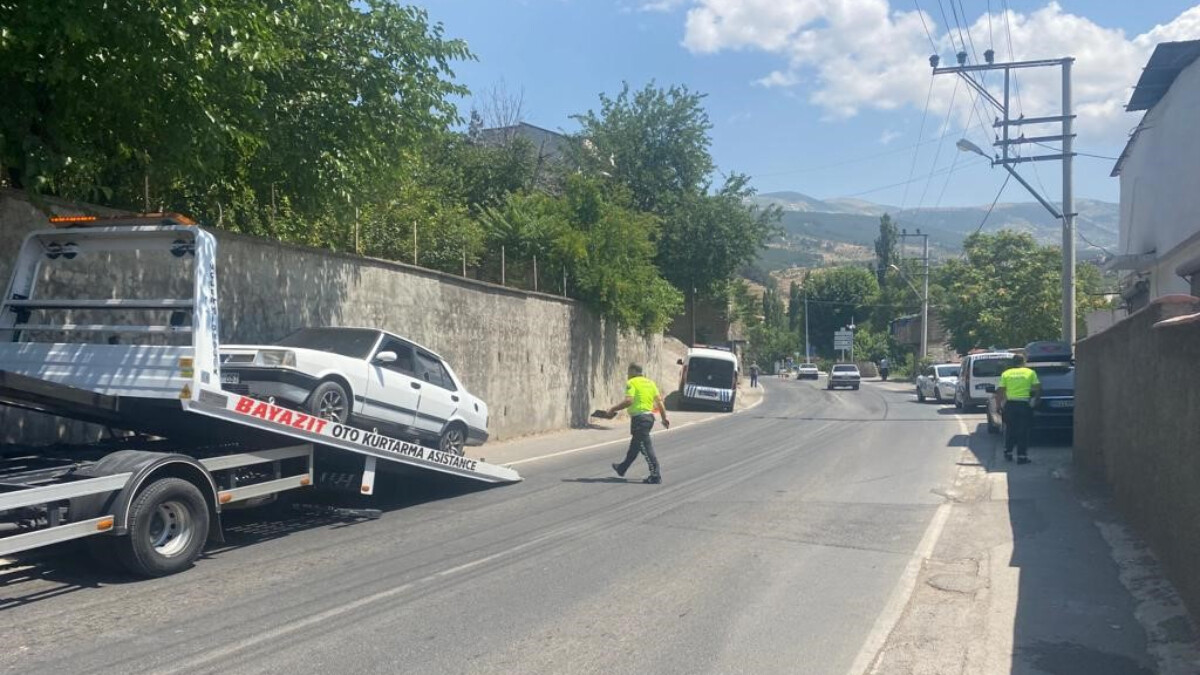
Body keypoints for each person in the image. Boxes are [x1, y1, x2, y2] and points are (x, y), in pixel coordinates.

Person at [608, 363, 670, 484]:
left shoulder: (632, 382)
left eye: (628, 372)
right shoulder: (650, 383)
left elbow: (629, 401)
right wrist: (664, 418)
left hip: (639, 420)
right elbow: (660, 403)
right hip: (649, 418)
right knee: (635, 446)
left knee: (646, 448)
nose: (627, 375)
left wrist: (613, 409)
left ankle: (655, 475)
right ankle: (622, 468)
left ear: (633, 371)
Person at [996, 353, 1041, 464]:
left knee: (1010, 429)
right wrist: (1035, 400)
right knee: (1023, 431)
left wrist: (998, 405)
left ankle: (1008, 453)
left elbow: (1000, 391)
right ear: (1024, 362)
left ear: (1013, 362)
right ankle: (1021, 456)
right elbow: (1037, 388)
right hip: (1024, 405)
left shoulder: (1006, 373)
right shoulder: (1030, 373)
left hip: (1010, 405)